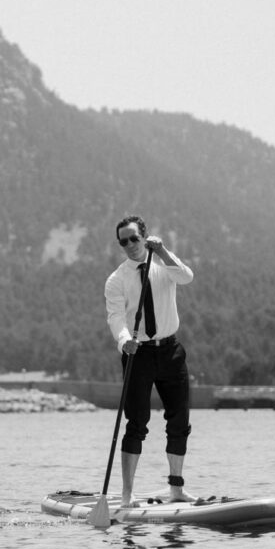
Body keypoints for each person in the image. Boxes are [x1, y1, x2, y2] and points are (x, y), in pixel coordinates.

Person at [104, 216, 195, 508]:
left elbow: (186, 277)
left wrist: (165, 251)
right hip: (137, 354)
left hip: (171, 351)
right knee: (137, 424)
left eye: (133, 239)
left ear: (144, 237)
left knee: (179, 420)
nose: (129, 245)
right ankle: (127, 495)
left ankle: (176, 489)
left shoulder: (164, 264)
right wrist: (123, 340)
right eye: (123, 242)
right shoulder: (117, 279)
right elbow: (116, 317)